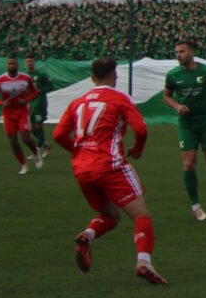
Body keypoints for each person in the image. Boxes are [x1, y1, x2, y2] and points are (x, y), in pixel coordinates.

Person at [53, 57, 167, 284]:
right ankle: (143, 262)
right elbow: (141, 129)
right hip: (109, 165)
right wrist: (137, 148)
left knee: (111, 216)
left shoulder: (78, 102)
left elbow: (57, 135)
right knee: (141, 216)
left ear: (92, 78)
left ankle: (87, 236)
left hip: (82, 170)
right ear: (115, 75)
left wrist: (78, 153)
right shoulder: (119, 98)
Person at [163, 39, 206, 221]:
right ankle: (195, 206)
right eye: (177, 52)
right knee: (189, 164)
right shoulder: (172, 75)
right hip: (187, 124)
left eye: (182, 51)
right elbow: (167, 97)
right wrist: (177, 106)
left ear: (192, 53)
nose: (179, 55)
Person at [0, 54, 41, 174]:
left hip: (22, 112)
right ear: (7, 65)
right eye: (9, 63)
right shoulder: (0, 80)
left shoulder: (25, 78)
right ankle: (23, 165)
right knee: (13, 141)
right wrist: (1, 103)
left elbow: (35, 92)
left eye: (14, 63)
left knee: (25, 137)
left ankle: (35, 151)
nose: (12, 65)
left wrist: (26, 100)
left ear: (18, 65)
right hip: (8, 114)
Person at [25, 54, 55, 162]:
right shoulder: (25, 76)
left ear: (34, 62)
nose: (29, 64)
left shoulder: (41, 74)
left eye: (30, 61)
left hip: (40, 103)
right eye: (27, 62)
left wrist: (39, 91)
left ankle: (36, 152)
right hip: (30, 103)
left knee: (38, 126)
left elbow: (51, 86)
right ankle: (45, 145)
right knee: (32, 129)